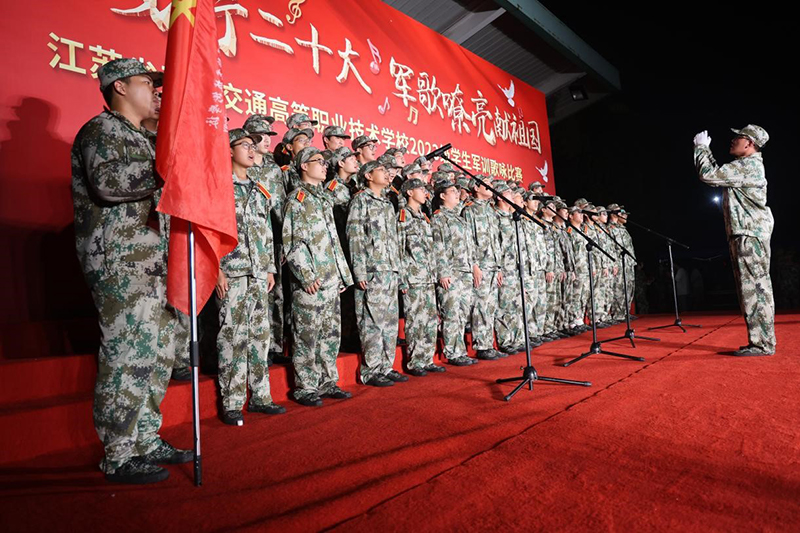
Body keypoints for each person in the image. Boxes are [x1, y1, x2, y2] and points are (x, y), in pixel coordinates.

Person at [71, 58, 190, 484]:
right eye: (146, 83)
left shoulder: (146, 138)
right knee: (127, 356)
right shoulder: (101, 130)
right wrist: (165, 166)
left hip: (155, 265)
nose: (156, 92)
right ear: (119, 87)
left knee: (157, 355)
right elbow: (107, 184)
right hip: (121, 263)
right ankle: (118, 454)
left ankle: (146, 439)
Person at [215, 129, 284, 424]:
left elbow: (266, 232)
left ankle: (260, 396)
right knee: (232, 335)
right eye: (245, 144)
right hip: (232, 270)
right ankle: (232, 401)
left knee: (259, 335)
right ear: (229, 150)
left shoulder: (259, 189)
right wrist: (216, 268)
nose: (253, 149)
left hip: (257, 272)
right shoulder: (219, 187)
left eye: (254, 145)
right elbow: (211, 232)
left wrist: (269, 267)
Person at [694, 125, 776, 356]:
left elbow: (709, 175)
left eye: (738, 137)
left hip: (749, 235)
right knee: (751, 289)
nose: (733, 140)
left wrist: (701, 149)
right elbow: (718, 174)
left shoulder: (747, 166)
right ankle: (760, 341)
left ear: (750, 143)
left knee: (755, 289)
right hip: (746, 234)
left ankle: (762, 344)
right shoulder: (744, 166)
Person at [283, 147, 354, 404]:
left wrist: (342, 275)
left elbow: (333, 241)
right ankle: (305, 387)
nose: (325, 166)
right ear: (304, 166)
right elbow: (292, 241)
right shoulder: (297, 199)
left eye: (325, 162)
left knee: (330, 335)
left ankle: (327, 381)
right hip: (311, 282)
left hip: (330, 278)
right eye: (318, 162)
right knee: (307, 336)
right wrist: (306, 275)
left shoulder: (323, 199)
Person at [347, 160, 406, 386]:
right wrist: (359, 271)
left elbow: (395, 241)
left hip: (390, 270)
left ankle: (386, 366)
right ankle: (371, 370)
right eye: (381, 170)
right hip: (372, 270)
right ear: (369, 176)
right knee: (372, 322)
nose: (387, 174)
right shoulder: (361, 200)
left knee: (389, 323)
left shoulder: (387, 204)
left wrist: (399, 271)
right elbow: (355, 237)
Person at [397, 178, 444, 376]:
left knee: (430, 320)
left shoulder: (424, 218)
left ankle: (427, 358)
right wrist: (402, 279)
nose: (425, 193)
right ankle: (416, 360)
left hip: (427, 277)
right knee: (415, 320)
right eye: (420, 189)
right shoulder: (403, 216)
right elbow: (399, 249)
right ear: (409, 192)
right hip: (413, 277)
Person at [432, 180, 480, 366]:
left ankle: (460, 351)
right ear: (442, 196)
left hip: (465, 271)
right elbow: (438, 247)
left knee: (462, 312)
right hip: (451, 272)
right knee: (451, 312)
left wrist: (474, 266)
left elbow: (469, 246)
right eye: (452, 191)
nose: (456, 194)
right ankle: (453, 352)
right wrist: (443, 272)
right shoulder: (439, 218)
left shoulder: (460, 218)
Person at [461, 177, 503, 359]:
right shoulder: (469, 210)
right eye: (486, 183)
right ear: (477, 188)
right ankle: (482, 345)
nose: (491, 187)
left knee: (491, 306)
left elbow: (496, 241)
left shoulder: (491, 211)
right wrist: (474, 265)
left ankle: (488, 343)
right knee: (481, 305)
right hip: (481, 265)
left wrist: (499, 266)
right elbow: (468, 240)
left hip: (493, 265)